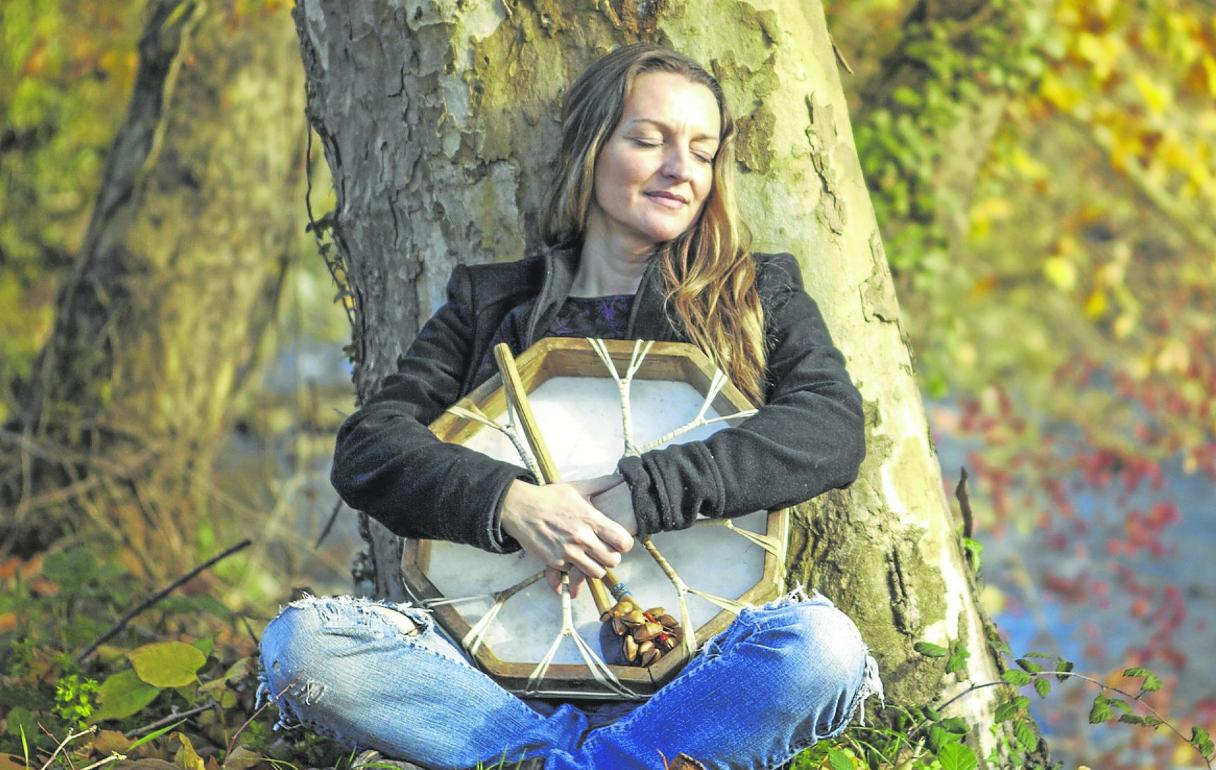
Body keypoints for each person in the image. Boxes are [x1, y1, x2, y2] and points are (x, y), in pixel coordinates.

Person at [255, 43, 881, 770]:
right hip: (491, 685)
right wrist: (514, 505)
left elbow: (830, 429)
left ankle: (544, 763)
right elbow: (369, 450)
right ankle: (601, 760)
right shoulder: (492, 302)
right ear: (591, 149)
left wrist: (639, 497)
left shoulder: (756, 294)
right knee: (304, 645)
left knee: (820, 649)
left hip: (692, 683)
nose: (681, 169)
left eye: (703, 152)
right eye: (649, 141)